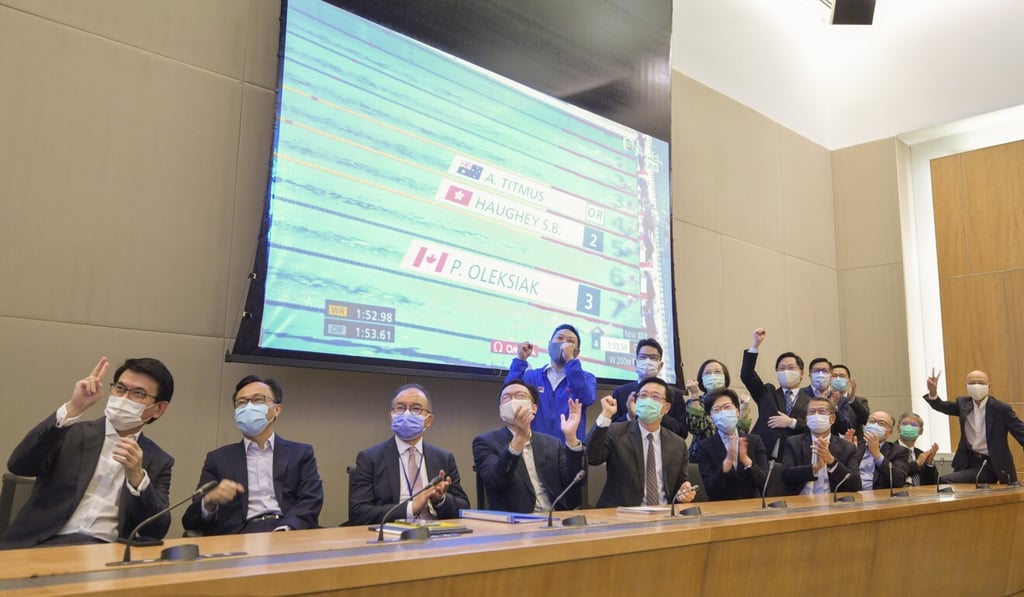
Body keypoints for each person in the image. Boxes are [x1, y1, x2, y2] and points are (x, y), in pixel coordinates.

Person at [1, 357, 175, 549]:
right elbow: (19, 465)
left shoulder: (159, 460)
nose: (124, 398)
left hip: (107, 553)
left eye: (138, 393)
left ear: (158, 409)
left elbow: (156, 530)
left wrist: (138, 479)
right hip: (44, 545)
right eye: (120, 388)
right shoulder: (70, 432)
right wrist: (73, 408)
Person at [181, 375, 323, 534]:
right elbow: (190, 521)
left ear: (276, 409)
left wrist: (285, 530)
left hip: (288, 532)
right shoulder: (218, 459)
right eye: (241, 403)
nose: (248, 407)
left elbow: (311, 500)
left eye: (258, 400)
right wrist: (209, 501)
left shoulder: (300, 453)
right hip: (240, 537)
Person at [348, 384, 470, 526]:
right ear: (391, 416)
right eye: (400, 408)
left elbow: (464, 509)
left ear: (429, 420)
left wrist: (441, 499)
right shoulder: (370, 458)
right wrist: (411, 508)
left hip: (436, 537)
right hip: (390, 538)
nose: (406, 414)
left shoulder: (444, 458)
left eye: (416, 409)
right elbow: (358, 513)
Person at [472, 380, 585, 513]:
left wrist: (571, 438)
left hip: (555, 520)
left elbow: (575, 483)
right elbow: (496, 481)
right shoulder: (485, 442)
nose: (513, 401)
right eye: (506, 398)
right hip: (515, 525)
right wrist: (519, 438)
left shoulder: (552, 444)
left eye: (520, 396)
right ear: (501, 412)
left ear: (534, 408)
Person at [586, 378, 695, 507]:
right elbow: (591, 457)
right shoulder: (616, 432)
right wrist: (605, 415)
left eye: (655, 397)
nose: (648, 401)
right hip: (622, 516)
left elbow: (680, 484)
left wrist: (684, 493)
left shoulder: (678, 444)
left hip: (664, 516)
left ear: (666, 408)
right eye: (643, 395)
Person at [923, 369, 1024, 484]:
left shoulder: (1001, 408)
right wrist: (933, 393)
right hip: (968, 460)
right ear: (966, 386)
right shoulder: (963, 403)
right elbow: (943, 406)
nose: (976, 386)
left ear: (989, 386)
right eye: (972, 383)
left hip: (993, 464)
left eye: (980, 383)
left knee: (945, 480)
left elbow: (1020, 432)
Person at [505, 323, 597, 443]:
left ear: (577, 352)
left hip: (569, 449)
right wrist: (520, 360)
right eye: (559, 338)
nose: (563, 343)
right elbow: (509, 395)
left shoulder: (586, 378)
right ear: (549, 346)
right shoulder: (532, 376)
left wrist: (570, 361)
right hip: (535, 448)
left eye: (570, 341)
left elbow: (586, 398)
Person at [741, 328, 810, 461]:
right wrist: (755, 344)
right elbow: (747, 375)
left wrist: (792, 423)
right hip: (762, 456)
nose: (786, 371)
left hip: (794, 459)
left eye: (791, 368)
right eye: (781, 368)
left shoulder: (811, 400)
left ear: (801, 373)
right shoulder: (767, 393)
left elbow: (816, 428)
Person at [691, 388, 769, 500]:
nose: (723, 412)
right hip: (722, 508)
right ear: (710, 417)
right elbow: (710, 489)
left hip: (752, 506)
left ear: (737, 412)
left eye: (727, 407)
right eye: (717, 410)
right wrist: (727, 464)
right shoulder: (705, 447)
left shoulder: (754, 441)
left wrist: (748, 462)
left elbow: (766, 483)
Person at [781, 397, 861, 495]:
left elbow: (855, 484)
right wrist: (815, 467)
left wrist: (832, 461)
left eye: (822, 411)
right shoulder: (794, 442)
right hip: (801, 501)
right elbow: (785, 476)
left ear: (832, 419)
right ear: (806, 419)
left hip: (833, 502)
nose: (816, 415)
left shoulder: (847, 447)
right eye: (812, 412)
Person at [610, 338, 686, 438]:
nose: (647, 361)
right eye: (643, 357)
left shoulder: (675, 394)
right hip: (627, 450)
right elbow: (610, 431)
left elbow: (682, 432)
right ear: (635, 363)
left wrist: (658, 412)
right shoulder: (620, 392)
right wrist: (630, 416)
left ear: (660, 365)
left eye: (653, 358)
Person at [852, 411, 910, 491]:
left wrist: (877, 455)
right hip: (854, 497)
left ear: (889, 432)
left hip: (880, 498)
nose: (875, 425)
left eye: (881, 423)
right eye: (872, 421)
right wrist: (849, 454)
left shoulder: (899, 451)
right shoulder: (854, 446)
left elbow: (899, 480)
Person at [894, 412, 939, 486]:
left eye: (914, 425)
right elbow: (893, 475)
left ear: (921, 431)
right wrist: (916, 464)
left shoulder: (921, 454)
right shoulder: (888, 451)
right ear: (898, 428)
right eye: (905, 424)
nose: (909, 427)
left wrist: (929, 464)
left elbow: (933, 484)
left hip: (921, 495)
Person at [829, 364, 870, 441]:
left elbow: (865, 420)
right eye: (834, 375)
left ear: (848, 380)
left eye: (842, 376)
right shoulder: (824, 401)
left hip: (855, 445)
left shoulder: (860, 401)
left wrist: (852, 399)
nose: (838, 379)